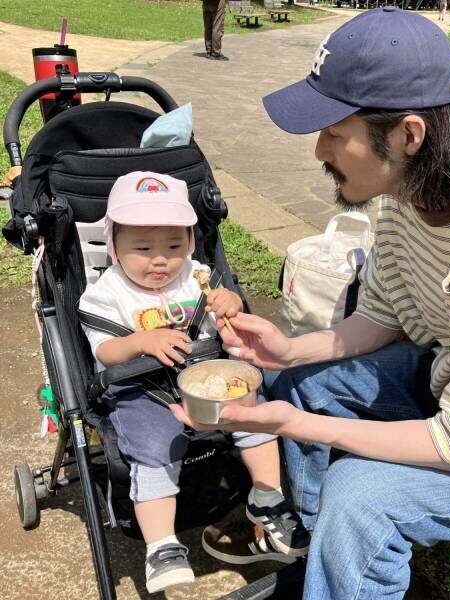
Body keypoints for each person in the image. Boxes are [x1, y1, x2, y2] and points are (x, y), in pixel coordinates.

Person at [171, 8, 450, 600]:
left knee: (359, 496)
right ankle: (325, 559)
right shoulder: (407, 187)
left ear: (408, 134)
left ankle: (342, 550)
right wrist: (290, 350)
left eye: (333, 131)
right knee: (301, 382)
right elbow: (385, 314)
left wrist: (295, 425)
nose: (318, 148)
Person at [79, 171, 309, 594]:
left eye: (174, 245)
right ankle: (162, 544)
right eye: (143, 248)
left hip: (207, 380)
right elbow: (104, 352)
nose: (161, 260)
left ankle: (266, 495)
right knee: (153, 445)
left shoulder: (196, 275)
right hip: (142, 388)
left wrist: (230, 303)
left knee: (254, 412)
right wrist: (139, 342)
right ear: (114, 247)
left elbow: (226, 318)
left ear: (189, 241)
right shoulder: (107, 293)